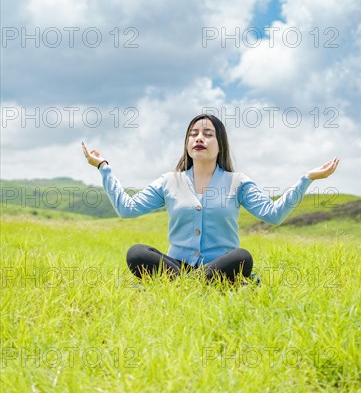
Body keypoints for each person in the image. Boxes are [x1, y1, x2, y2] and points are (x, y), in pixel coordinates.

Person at [82, 114, 339, 283]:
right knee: (137, 253)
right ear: (187, 143)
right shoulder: (169, 181)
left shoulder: (237, 182)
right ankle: (195, 285)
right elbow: (127, 209)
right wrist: (103, 167)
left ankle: (186, 287)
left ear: (220, 144)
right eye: (193, 134)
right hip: (178, 266)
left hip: (221, 266)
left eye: (207, 133)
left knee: (242, 257)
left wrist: (307, 179)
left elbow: (274, 214)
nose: (199, 138)